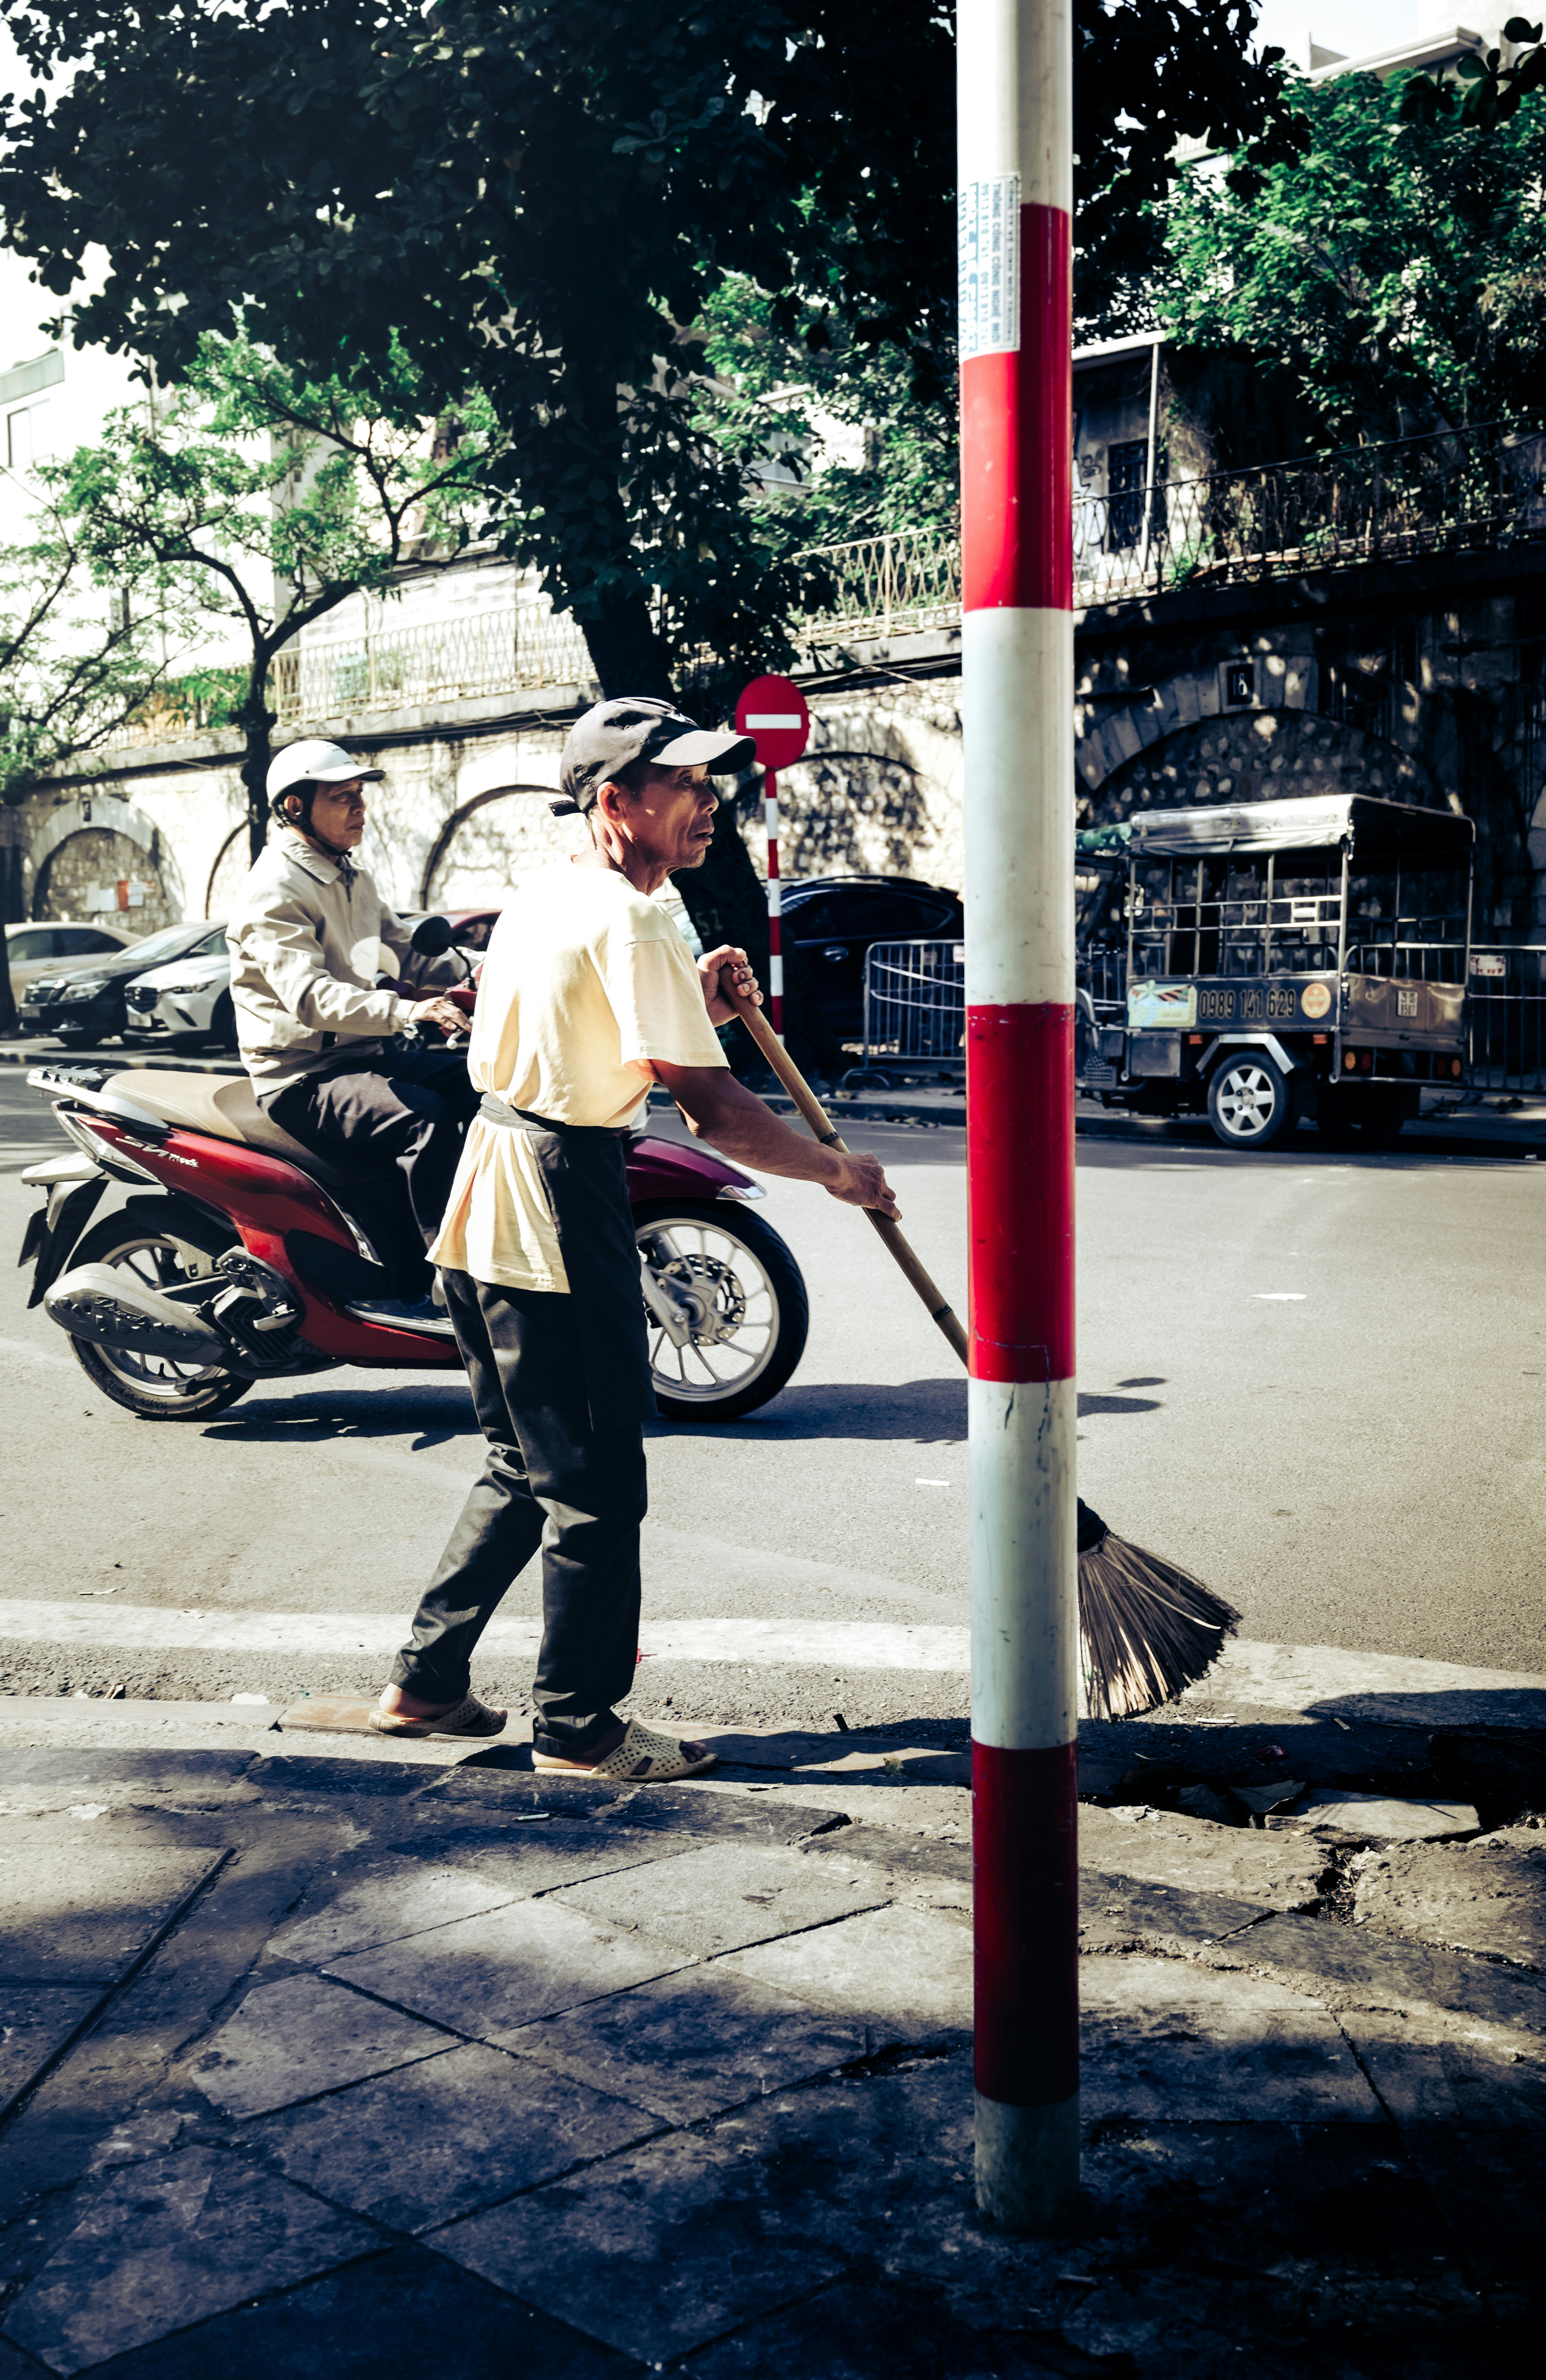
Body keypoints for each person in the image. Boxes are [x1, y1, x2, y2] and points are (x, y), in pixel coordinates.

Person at [371, 693, 900, 1778]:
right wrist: (836, 1170)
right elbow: (711, 1111)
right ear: (616, 802)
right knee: (600, 1480)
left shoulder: (553, 893)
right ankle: (579, 1728)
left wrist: (698, 998)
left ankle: (425, 1685)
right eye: (687, 787)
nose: (710, 805)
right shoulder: (642, 915)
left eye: (712, 783)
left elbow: (602, 1027)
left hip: (485, 1201)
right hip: (560, 1199)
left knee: (526, 1463)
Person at [228, 738, 479, 1328]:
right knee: (425, 1119)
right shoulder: (276, 889)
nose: (359, 809)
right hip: (303, 1076)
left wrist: (488, 969)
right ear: (294, 808)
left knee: (492, 1081)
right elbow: (310, 999)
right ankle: (446, 1279)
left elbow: (404, 952)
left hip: (367, 1057)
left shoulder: (351, 876)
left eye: (360, 796)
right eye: (342, 798)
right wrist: (406, 1012)